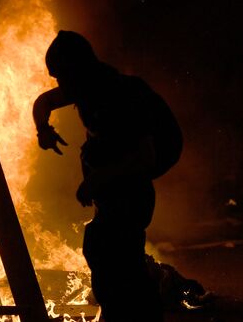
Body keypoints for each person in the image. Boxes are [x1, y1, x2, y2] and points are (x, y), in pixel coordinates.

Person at [33, 30, 181, 322]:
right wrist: (44, 129)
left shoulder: (118, 97)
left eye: (61, 76)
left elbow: (145, 156)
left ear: (77, 69)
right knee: (105, 252)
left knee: (120, 265)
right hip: (114, 192)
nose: (60, 85)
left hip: (131, 192)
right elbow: (44, 102)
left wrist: (97, 179)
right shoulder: (85, 86)